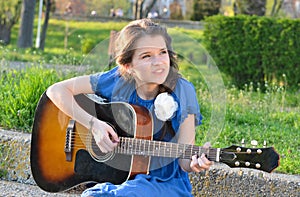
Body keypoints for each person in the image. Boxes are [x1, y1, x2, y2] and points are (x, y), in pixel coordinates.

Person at [46, 18, 212, 197]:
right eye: (146, 56)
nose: (158, 62)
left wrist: (196, 163)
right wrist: (93, 125)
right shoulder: (117, 80)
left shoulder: (183, 90)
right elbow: (56, 90)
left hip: (163, 183)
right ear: (128, 65)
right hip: (120, 178)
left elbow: (184, 162)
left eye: (162, 52)